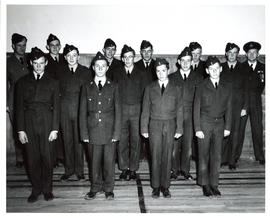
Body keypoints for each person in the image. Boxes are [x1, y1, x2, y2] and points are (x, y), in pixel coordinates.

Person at [16, 47, 59, 203]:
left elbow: (57, 106)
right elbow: (19, 107)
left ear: (46, 62)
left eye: (42, 63)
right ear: (30, 63)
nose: (39, 66)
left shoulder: (53, 82)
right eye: (35, 63)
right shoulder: (22, 82)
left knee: (47, 158)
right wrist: (20, 130)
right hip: (28, 123)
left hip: (47, 122)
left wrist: (55, 128)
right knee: (32, 158)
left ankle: (47, 189)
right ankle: (36, 189)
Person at [80, 52, 121, 200]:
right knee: (94, 162)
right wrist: (84, 134)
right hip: (92, 132)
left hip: (109, 131)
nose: (100, 68)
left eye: (103, 66)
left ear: (107, 67)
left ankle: (109, 189)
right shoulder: (86, 87)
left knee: (109, 162)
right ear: (93, 67)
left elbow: (118, 111)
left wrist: (116, 133)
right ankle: (95, 187)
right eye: (97, 66)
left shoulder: (114, 86)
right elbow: (82, 112)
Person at [141, 58, 183, 198]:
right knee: (155, 155)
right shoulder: (149, 88)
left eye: (163, 70)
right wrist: (144, 128)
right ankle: (155, 186)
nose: (160, 73)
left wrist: (179, 129)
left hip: (170, 124)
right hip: (154, 125)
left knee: (167, 156)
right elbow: (145, 110)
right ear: (155, 72)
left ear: (168, 70)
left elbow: (179, 110)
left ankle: (165, 186)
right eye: (158, 71)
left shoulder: (176, 88)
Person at [194, 56, 232, 197]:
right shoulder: (201, 86)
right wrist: (197, 128)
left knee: (217, 155)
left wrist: (227, 126)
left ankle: (214, 184)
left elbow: (229, 108)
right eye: (211, 69)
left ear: (221, 69)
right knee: (203, 154)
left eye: (217, 68)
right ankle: (204, 184)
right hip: (205, 122)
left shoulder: (227, 86)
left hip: (220, 124)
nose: (214, 71)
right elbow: (196, 108)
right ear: (207, 70)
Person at [58, 44, 92, 181]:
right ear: (65, 57)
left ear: (78, 56)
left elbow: (89, 93)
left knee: (79, 141)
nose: (72, 58)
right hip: (64, 111)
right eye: (69, 56)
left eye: (74, 55)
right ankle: (69, 169)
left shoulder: (86, 72)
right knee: (67, 141)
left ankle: (79, 170)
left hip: (80, 111)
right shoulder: (60, 72)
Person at [169, 47, 203, 180]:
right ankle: (174, 170)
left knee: (188, 145)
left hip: (190, 115)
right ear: (178, 61)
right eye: (183, 60)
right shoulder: (171, 78)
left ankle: (185, 170)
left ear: (192, 61)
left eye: (188, 60)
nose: (185, 63)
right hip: (175, 116)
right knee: (174, 145)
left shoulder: (198, 78)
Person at [113, 45, 144, 181]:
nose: (127, 59)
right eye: (125, 57)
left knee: (136, 141)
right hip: (122, 111)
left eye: (130, 57)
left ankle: (133, 168)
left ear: (134, 57)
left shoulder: (142, 73)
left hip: (137, 111)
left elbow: (145, 94)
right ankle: (124, 167)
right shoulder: (116, 73)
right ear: (122, 58)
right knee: (122, 140)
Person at [220, 43, 248, 169]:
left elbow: (248, 90)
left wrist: (245, 107)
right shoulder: (220, 67)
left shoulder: (244, 68)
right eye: (230, 52)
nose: (232, 55)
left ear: (238, 54)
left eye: (235, 52)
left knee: (235, 133)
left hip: (237, 106)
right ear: (226, 53)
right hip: (223, 106)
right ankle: (222, 158)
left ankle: (232, 160)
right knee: (223, 133)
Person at [238, 41, 265, 165]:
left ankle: (260, 156)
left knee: (258, 129)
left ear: (258, 54)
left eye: (254, 52)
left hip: (256, 103)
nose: (252, 54)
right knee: (239, 130)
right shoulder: (241, 67)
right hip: (243, 104)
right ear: (246, 54)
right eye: (250, 52)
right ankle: (234, 157)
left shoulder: (264, 67)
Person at [7, 33, 29, 168]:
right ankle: (20, 158)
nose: (22, 48)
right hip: (14, 99)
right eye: (19, 45)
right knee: (18, 128)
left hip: (30, 99)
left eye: (24, 45)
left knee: (29, 127)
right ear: (13, 46)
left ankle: (29, 156)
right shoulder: (8, 62)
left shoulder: (31, 59)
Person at [45, 34, 66, 167]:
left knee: (63, 129)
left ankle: (61, 156)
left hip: (63, 100)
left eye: (57, 45)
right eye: (52, 45)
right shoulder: (44, 61)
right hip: (51, 99)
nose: (55, 47)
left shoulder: (66, 58)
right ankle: (52, 158)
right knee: (52, 128)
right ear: (47, 47)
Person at [135, 40, 157, 161]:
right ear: (141, 53)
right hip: (140, 102)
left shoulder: (157, 66)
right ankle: (140, 155)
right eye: (144, 51)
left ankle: (150, 155)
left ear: (152, 52)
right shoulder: (136, 66)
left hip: (154, 103)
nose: (147, 54)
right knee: (140, 129)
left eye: (149, 51)